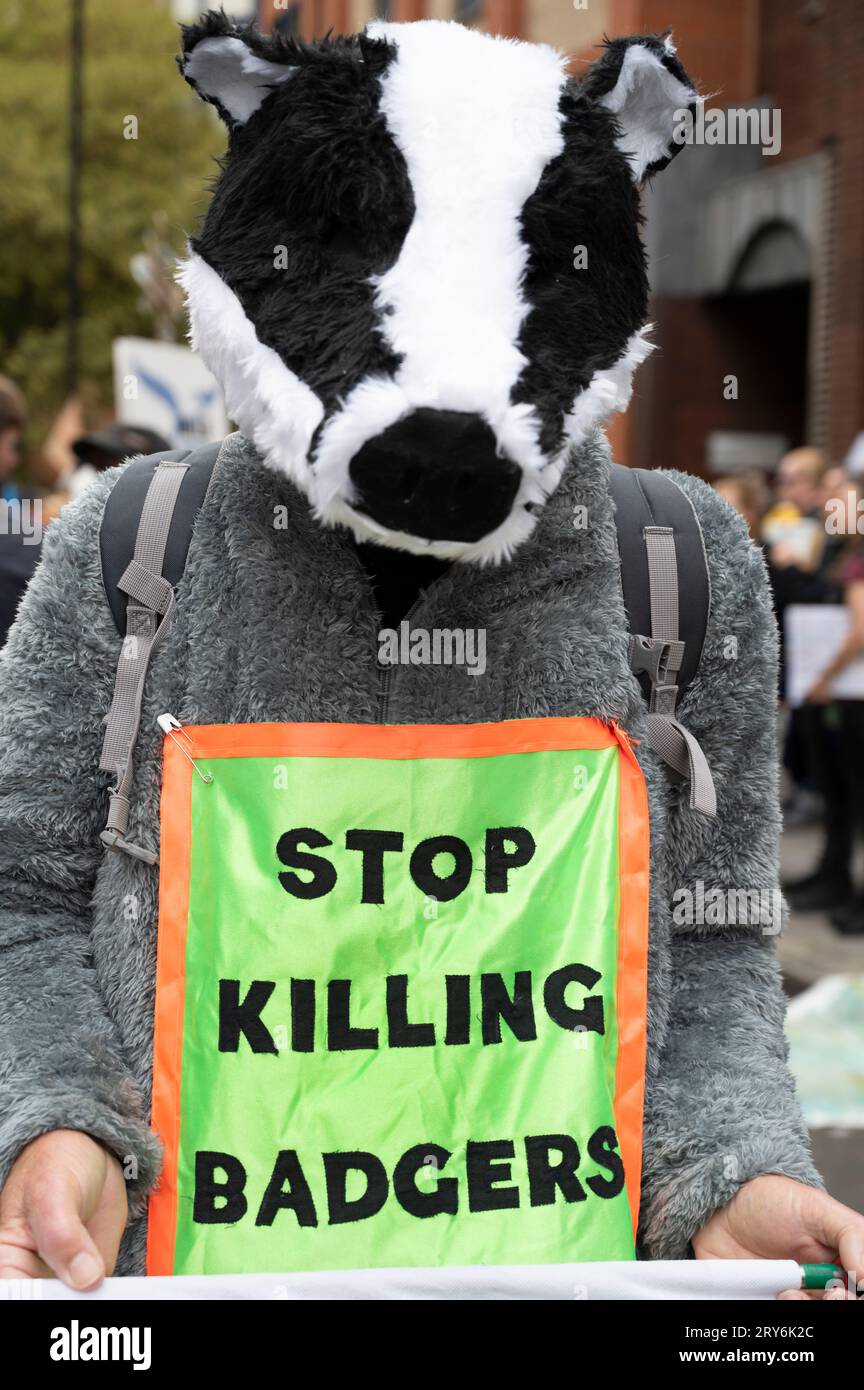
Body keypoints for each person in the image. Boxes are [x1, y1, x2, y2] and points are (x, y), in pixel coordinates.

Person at [0, 18, 861, 1295]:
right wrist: (60, 1122)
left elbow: (713, 933)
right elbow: (25, 898)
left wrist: (733, 1173)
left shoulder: (679, 566)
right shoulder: (133, 552)